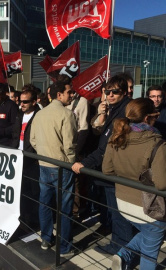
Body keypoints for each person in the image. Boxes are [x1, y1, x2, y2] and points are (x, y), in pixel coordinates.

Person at [72, 75, 133, 255]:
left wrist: (83, 163)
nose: (111, 95)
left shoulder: (124, 112)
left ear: (124, 92)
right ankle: (120, 246)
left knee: (118, 214)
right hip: (109, 168)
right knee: (114, 212)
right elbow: (98, 130)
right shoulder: (113, 109)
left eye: (115, 92)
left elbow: (106, 147)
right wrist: (102, 113)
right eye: (108, 91)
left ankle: (121, 250)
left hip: (116, 170)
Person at [102, 98, 166, 270]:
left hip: (122, 203)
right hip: (148, 207)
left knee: (149, 234)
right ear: (147, 118)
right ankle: (125, 255)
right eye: (155, 115)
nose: (157, 118)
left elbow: (107, 170)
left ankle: (123, 255)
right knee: (150, 250)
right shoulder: (157, 144)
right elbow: (161, 184)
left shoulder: (116, 138)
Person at [30, 81, 77, 257]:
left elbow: (33, 139)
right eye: (69, 92)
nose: (71, 95)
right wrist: (71, 163)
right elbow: (69, 145)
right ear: (59, 95)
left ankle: (46, 238)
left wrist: (43, 152)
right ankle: (64, 248)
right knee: (64, 208)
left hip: (44, 163)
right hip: (62, 166)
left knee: (45, 203)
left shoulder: (40, 114)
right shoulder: (67, 114)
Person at [11, 89, 40, 225]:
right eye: (20, 101)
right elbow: (15, 132)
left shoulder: (39, 116)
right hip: (18, 157)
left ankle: (33, 221)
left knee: (33, 192)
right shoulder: (19, 115)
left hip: (32, 160)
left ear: (34, 102)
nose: (21, 104)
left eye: (25, 102)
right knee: (20, 190)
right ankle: (23, 218)